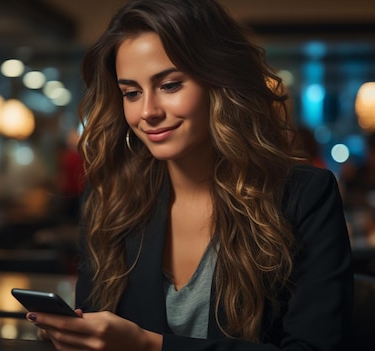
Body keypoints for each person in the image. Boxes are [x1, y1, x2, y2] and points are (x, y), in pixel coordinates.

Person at [26, 1, 353, 350]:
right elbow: (95, 324)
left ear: (218, 80)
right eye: (132, 93)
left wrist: (150, 346)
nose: (148, 112)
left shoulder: (304, 196)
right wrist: (74, 336)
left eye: (169, 85)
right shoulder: (109, 196)